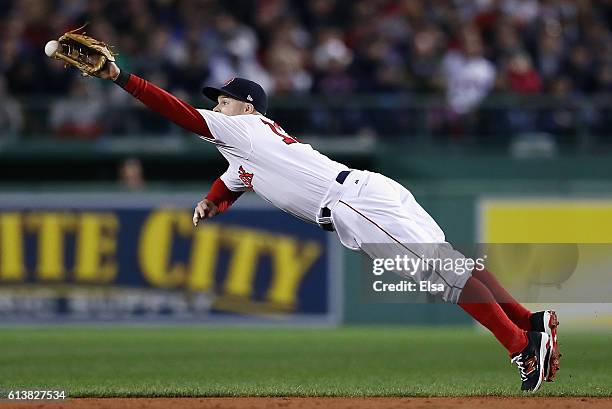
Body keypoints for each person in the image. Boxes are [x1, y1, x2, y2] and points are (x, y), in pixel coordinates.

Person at [93, 61, 559, 392]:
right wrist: (212, 202)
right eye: (217, 100)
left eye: (225, 99)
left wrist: (122, 78)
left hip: (354, 205)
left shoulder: (243, 129)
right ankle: (530, 322)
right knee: (452, 266)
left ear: (249, 107)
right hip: (367, 193)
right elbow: (231, 181)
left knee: (446, 276)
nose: (218, 105)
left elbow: (177, 112)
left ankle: (520, 348)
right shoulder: (244, 148)